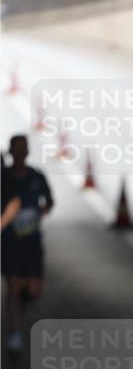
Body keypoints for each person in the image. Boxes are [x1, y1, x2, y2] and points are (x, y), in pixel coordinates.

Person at [1, 135, 54, 352]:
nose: (21, 153)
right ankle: (14, 333)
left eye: (24, 149)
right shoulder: (3, 179)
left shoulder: (37, 176)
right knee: (13, 286)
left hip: (32, 243)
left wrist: (42, 211)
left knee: (33, 291)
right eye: (17, 149)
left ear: (28, 152)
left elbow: (49, 200)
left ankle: (25, 298)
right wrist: (8, 217)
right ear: (11, 152)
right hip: (10, 243)